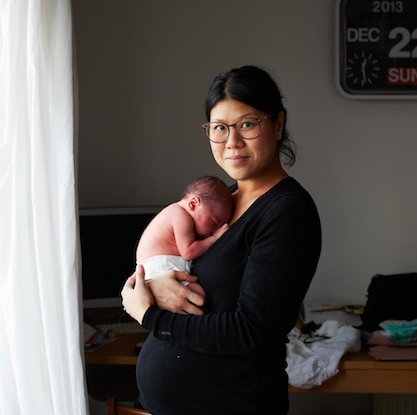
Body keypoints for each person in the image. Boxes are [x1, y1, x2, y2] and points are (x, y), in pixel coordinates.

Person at [121, 65, 322, 415]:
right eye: (219, 128)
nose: (232, 142)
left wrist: (151, 316)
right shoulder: (221, 203)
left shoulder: (287, 212)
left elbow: (250, 331)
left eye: (247, 124)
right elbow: (171, 262)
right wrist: (151, 286)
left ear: (278, 124)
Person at [135, 175, 232, 296]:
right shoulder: (180, 216)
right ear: (193, 203)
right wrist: (214, 238)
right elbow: (188, 252)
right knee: (199, 294)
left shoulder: (175, 211)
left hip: (153, 267)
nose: (215, 230)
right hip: (160, 267)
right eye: (214, 222)